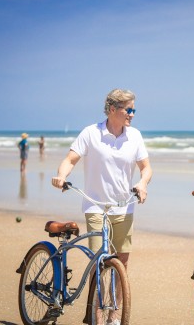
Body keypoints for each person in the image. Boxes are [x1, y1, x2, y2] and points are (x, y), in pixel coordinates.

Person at [51, 88, 153, 275]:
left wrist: (142, 183)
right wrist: (62, 176)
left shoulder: (135, 136)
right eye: (128, 110)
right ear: (113, 109)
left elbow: (146, 168)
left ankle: (118, 305)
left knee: (122, 262)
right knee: (98, 261)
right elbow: (70, 160)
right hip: (95, 207)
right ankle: (96, 305)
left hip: (124, 207)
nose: (132, 115)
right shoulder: (91, 133)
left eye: (134, 111)